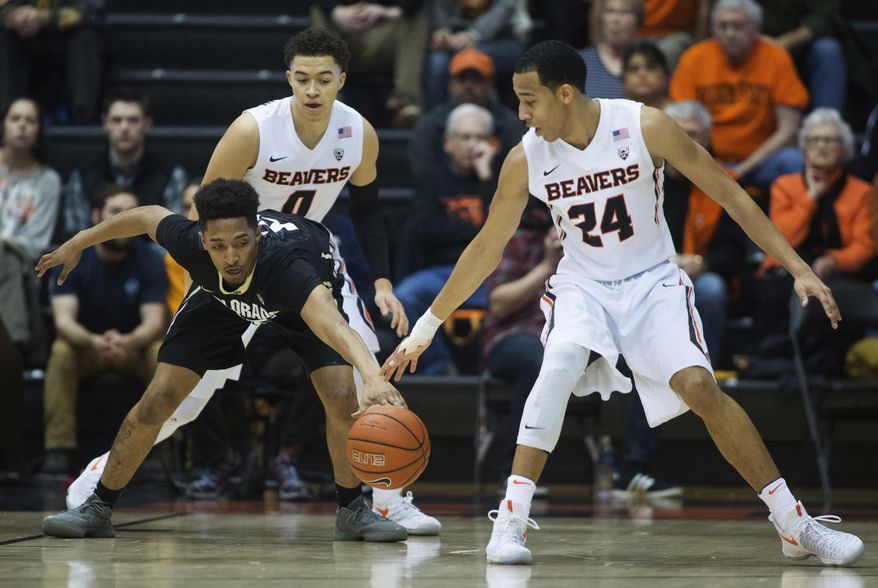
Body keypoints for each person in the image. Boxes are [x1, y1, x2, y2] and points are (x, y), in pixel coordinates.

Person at [382, 40, 864, 567]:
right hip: (582, 285)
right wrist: (426, 327)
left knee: (699, 386)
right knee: (558, 365)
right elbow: (486, 248)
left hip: (653, 279)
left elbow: (729, 194)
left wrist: (798, 267)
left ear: (565, 94)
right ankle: (512, 520)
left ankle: (794, 524)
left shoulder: (643, 125)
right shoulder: (525, 157)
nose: (520, 113)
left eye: (529, 99)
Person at [63, 29, 440, 536]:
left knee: (359, 375)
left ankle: (384, 499)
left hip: (303, 260)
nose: (312, 90)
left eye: (324, 79)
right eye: (302, 79)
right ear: (288, 78)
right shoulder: (253, 129)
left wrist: (383, 281)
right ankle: (100, 478)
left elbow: (368, 210)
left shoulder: (359, 133)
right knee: (179, 398)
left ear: (342, 81)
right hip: (240, 259)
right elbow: (207, 206)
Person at [38, 179, 409, 542]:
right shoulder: (190, 245)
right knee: (159, 399)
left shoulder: (288, 267)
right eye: (217, 245)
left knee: (341, 395)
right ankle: (98, 507)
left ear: (257, 237)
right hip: (219, 299)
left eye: (241, 243)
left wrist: (373, 377)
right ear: (201, 240)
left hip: (299, 292)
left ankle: (352, 511)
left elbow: (334, 324)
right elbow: (147, 216)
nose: (231, 257)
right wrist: (78, 242)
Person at [42, 186, 167, 474]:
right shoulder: (76, 256)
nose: (125, 220)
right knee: (61, 352)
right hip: (88, 347)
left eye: (132, 213)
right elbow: (64, 322)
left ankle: (167, 446)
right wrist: (96, 342)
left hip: (131, 347)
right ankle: (58, 450)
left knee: (160, 353)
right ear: (96, 215)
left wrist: (126, 341)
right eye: (116, 212)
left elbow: (152, 322)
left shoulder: (150, 259)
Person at [750, 108, 875, 350]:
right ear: (804, 147)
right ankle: (768, 360)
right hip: (787, 269)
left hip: (838, 272)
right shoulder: (784, 186)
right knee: (773, 293)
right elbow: (779, 240)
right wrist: (811, 197)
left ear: (844, 147)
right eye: (814, 140)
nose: (821, 146)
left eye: (829, 140)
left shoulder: (861, 191)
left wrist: (833, 260)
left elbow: (864, 246)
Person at [394, 103, 498, 374]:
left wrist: (487, 175)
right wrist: (477, 232)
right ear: (447, 142)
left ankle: (492, 368)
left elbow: (503, 231)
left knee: (521, 299)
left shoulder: (498, 180)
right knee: (405, 296)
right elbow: (427, 230)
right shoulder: (431, 179)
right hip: (441, 274)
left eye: (480, 138)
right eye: (465, 137)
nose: (472, 145)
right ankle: (439, 367)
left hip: (488, 274)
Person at [669, 0, 809, 195]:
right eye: (722, 26)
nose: (730, 33)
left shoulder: (776, 57)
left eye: (738, 26)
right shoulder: (694, 58)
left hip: (761, 162)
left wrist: (740, 170)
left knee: (793, 161)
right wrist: (713, 165)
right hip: (707, 162)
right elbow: (681, 123)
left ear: (756, 28)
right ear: (712, 28)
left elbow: (788, 130)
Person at [662, 100, 749, 364]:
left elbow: (734, 251)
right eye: (677, 132)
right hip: (648, 274)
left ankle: (703, 370)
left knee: (712, 289)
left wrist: (703, 263)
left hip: (699, 275)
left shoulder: (723, 181)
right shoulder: (642, 177)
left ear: (708, 138)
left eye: (692, 135)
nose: (683, 141)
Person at [59, 88, 188, 240]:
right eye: (116, 120)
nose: (124, 128)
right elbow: (75, 239)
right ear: (105, 123)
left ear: (147, 124)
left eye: (133, 120)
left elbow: (175, 240)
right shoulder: (82, 176)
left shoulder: (171, 174)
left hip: (154, 262)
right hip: (96, 261)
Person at [0, 98, 61, 357]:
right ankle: (15, 341)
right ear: (4, 126)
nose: (22, 126)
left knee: (8, 260)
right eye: (16, 119)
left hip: (21, 263)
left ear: (38, 131)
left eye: (30, 120)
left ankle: (11, 346)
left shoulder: (48, 181)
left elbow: (36, 240)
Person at [408, 48, 524, 182]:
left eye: (477, 79)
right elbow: (423, 175)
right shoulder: (430, 126)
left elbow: (520, 178)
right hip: (442, 198)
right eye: (462, 79)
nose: (468, 86)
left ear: (490, 85)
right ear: (450, 84)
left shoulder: (511, 127)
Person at [310, 0, 429, 128]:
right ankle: (328, 102)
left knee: (415, 15)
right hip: (344, 36)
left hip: (385, 31)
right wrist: (336, 12)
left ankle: (405, 103)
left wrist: (390, 12)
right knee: (320, 13)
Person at [0, 0, 103, 124]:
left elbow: (85, 10)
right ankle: (8, 116)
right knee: (3, 37)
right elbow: (5, 7)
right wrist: (15, 16)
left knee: (87, 37)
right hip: (24, 39)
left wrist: (44, 18)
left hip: (68, 39)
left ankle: (83, 117)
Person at [426, 0, 531, 109]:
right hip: (456, 39)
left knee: (471, 59)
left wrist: (473, 34)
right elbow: (439, 8)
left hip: (503, 38)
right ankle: (438, 119)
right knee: (438, 61)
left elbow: (505, 8)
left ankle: (493, 119)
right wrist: (442, 31)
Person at [580, 0, 643, 100]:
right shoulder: (580, 61)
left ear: (638, 20)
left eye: (624, 12)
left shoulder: (649, 62)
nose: (615, 19)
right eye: (610, 11)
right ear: (600, 19)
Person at [638, 0, 708, 69]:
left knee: (665, 55)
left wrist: (699, 47)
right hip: (638, 32)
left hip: (675, 34)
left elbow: (702, 9)